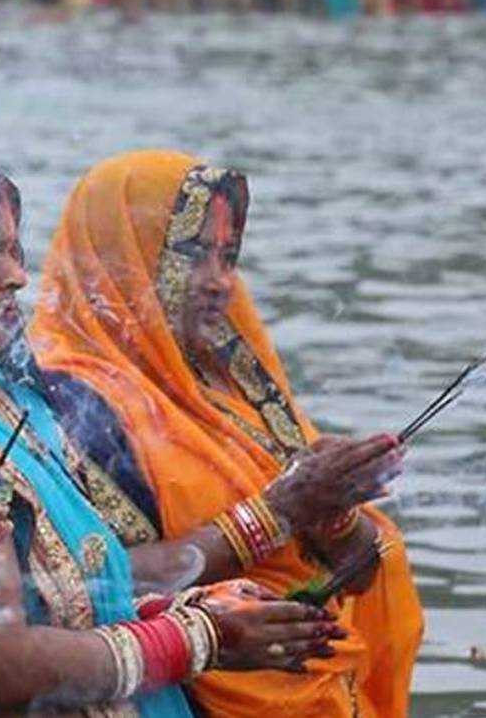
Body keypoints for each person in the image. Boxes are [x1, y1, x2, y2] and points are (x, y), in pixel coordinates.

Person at [0, 150, 345, 714]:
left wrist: (191, 609)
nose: (17, 275)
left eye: (15, 249)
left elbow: (70, 593)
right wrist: (201, 638)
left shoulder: (9, 399)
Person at [31, 151, 424, 717]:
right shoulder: (68, 402)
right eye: (192, 255)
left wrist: (335, 512)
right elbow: (91, 583)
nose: (219, 282)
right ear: (120, 256)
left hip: (320, 683)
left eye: (229, 257)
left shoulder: (226, 379)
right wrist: (277, 512)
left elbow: (355, 570)